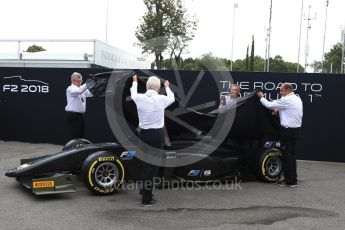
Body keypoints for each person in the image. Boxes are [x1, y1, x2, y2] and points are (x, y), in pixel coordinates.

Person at [130, 74, 175, 207]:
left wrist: (134, 82)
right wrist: (167, 87)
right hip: (156, 135)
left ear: (146, 86)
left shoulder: (139, 97)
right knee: (152, 167)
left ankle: (143, 191)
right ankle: (146, 199)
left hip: (143, 134)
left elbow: (133, 92)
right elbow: (172, 98)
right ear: (158, 88)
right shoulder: (161, 98)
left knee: (146, 164)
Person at [256, 83, 303, 188]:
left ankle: (290, 181)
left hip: (288, 132)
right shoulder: (296, 99)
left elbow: (268, 104)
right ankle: (292, 179)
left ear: (287, 90)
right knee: (291, 156)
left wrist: (261, 96)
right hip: (295, 131)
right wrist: (278, 110)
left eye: (281, 91)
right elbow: (289, 109)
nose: (280, 93)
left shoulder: (287, 100)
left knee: (287, 156)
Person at [65, 72, 93, 139]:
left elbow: (92, 93)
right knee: (76, 135)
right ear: (73, 81)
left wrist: (96, 85)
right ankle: (75, 148)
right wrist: (87, 83)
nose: (80, 82)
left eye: (81, 81)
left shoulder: (81, 89)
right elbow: (79, 91)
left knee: (81, 135)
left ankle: (80, 148)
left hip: (80, 115)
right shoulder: (70, 88)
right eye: (78, 81)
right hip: (73, 115)